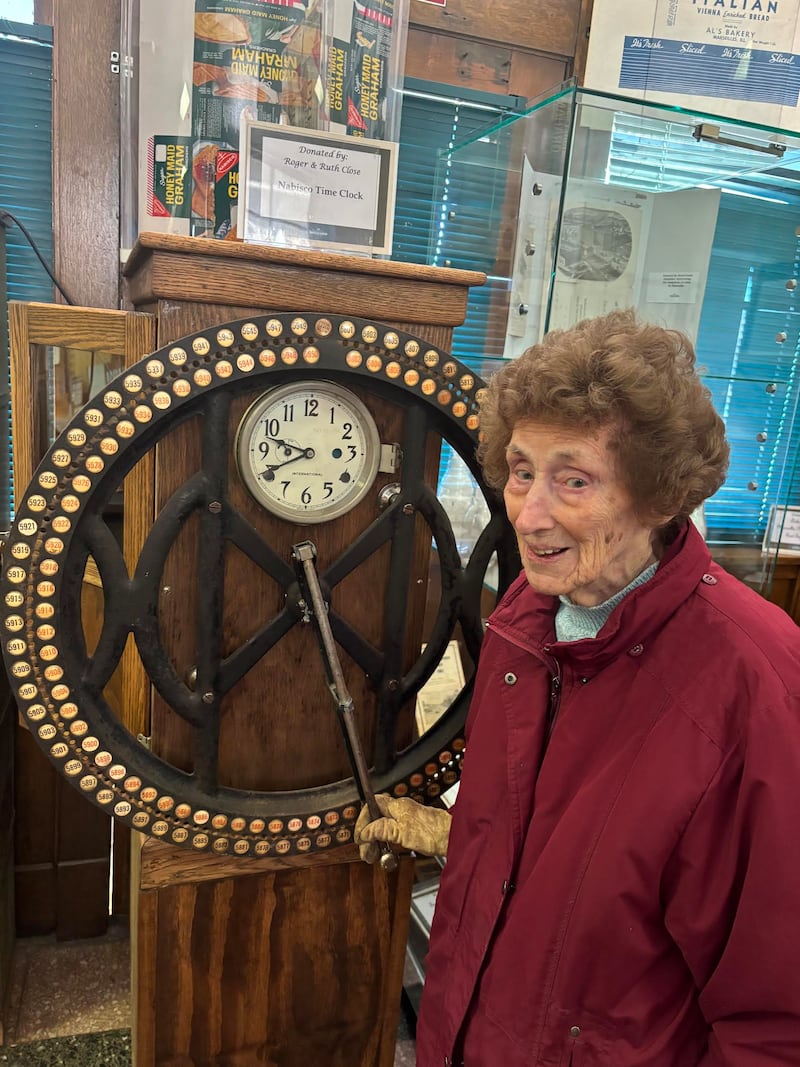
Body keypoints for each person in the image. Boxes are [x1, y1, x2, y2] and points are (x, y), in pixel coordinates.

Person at [355, 309, 800, 1067]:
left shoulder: (752, 685)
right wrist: (453, 834)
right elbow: (553, 857)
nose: (529, 514)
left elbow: (775, 1016)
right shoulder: (526, 625)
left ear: (660, 496)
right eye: (522, 470)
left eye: (574, 479)